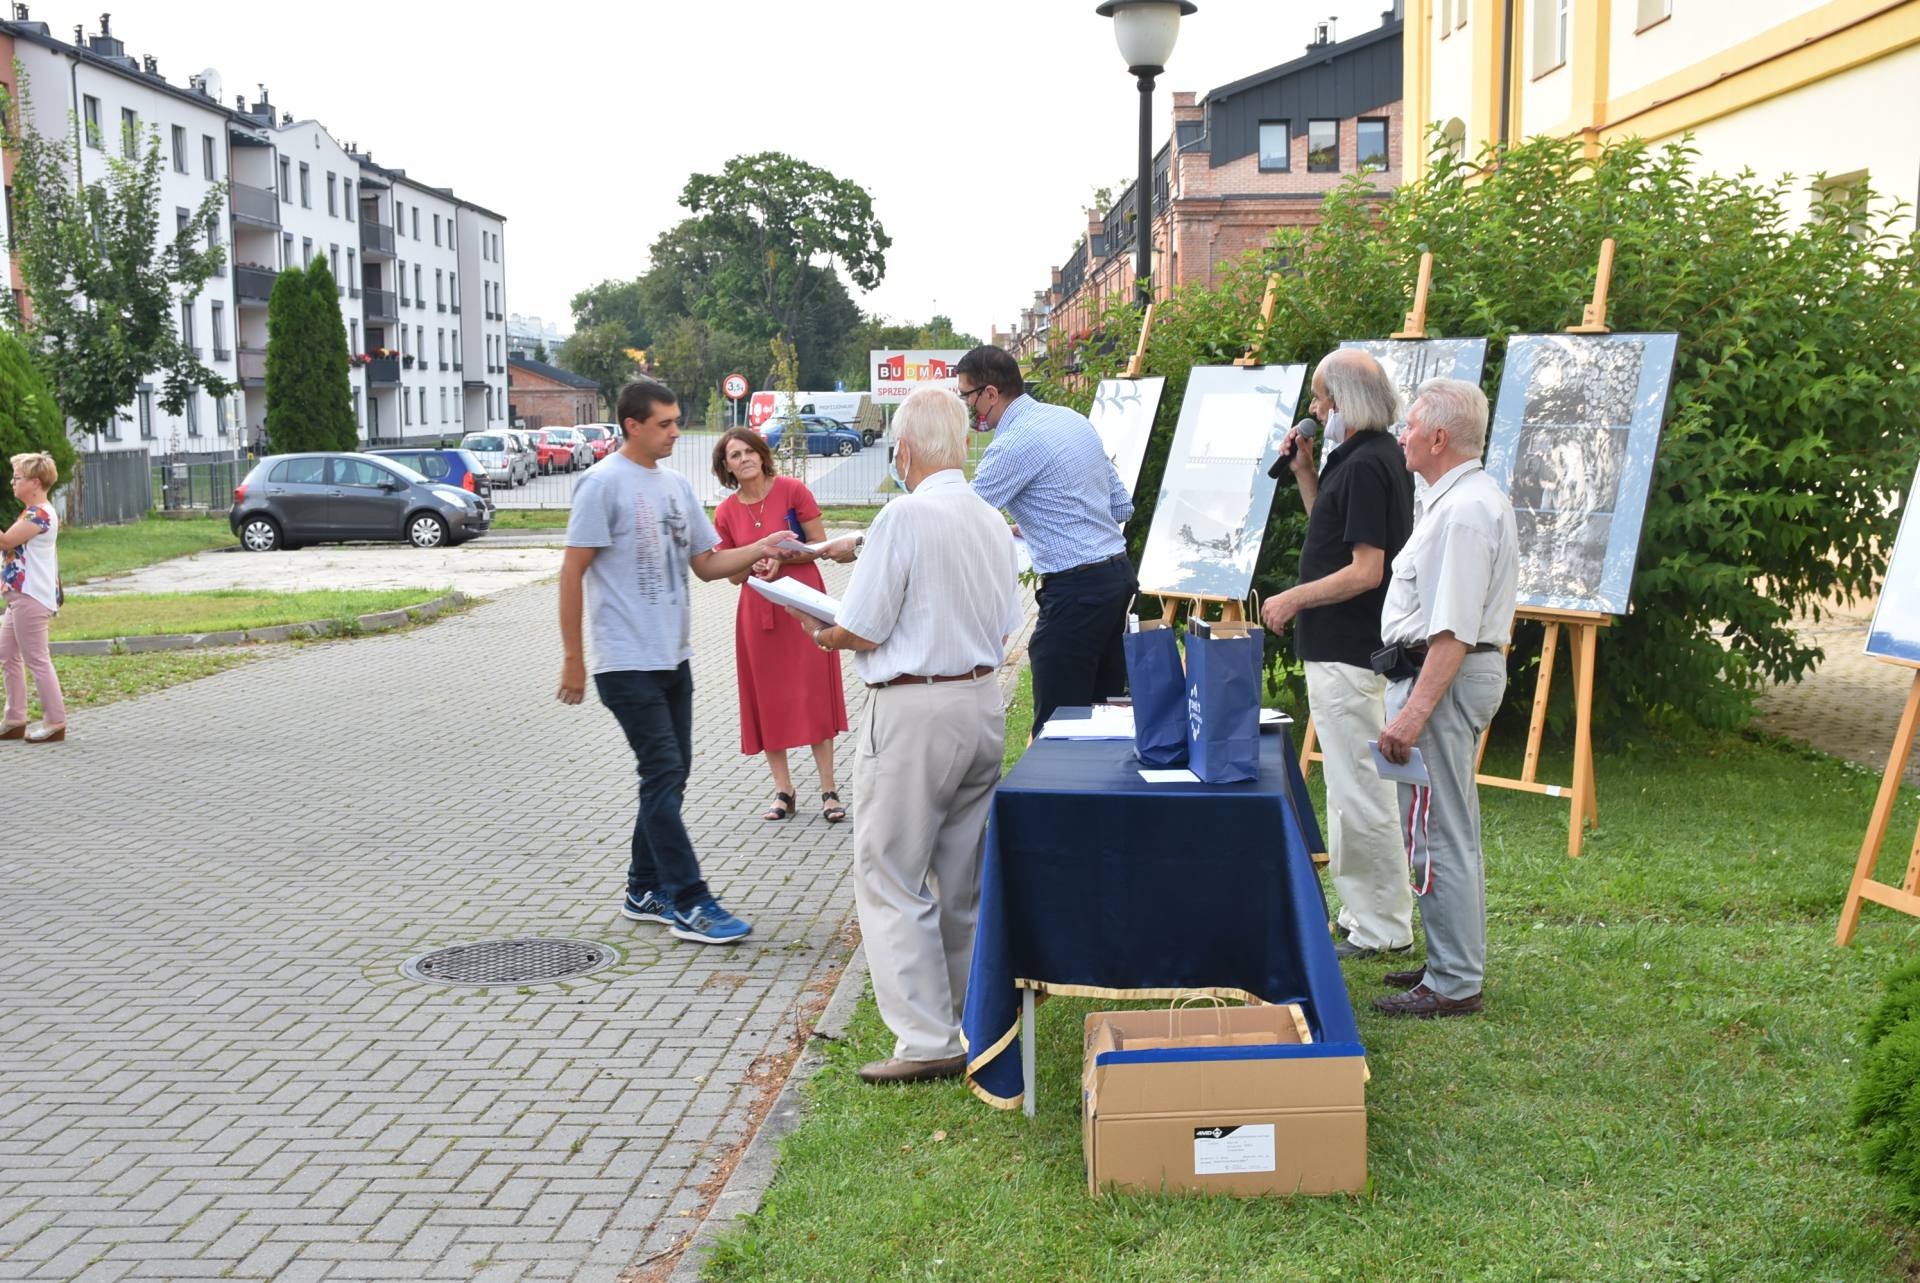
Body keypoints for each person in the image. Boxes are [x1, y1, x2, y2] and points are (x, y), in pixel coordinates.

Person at [784, 385, 1022, 1084]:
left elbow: (862, 625)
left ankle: (924, 1036)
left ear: (906, 451)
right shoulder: (987, 515)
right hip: (979, 698)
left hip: (915, 705)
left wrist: (821, 630)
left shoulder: (903, 515)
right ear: (964, 444)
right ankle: (962, 1015)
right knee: (959, 876)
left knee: (889, 869)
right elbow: (1008, 620)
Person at [557, 378, 797, 946]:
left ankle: (643, 888)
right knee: (662, 773)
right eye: (664, 423)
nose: (675, 431)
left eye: (677, 420)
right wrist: (573, 658)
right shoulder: (601, 485)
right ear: (632, 425)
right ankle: (690, 900)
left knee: (672, 778)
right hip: (624, 662)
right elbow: (571, 572)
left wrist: (762, 549)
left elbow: (709, 564)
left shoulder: (675, 486)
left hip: (674, 656)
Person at [1262, 350, 1416, 961]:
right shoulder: (1360, 461)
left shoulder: (1367, 465)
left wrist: (1292, 598)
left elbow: (1365, 569)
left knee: (1360, 790)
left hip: (1348, 648)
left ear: (1346, 402)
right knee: (1352, 788)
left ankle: (1382, 927)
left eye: (1322, 398)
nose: (1314, 409)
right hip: (1343, 648)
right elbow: (1334, 534)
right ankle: (1363, 913)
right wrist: (1304, 472)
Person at [1372, 378, 1519, 1017]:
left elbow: (1453, 631)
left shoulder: (1464, 511)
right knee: (1441, 827)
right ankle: (1447, 960)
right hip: (1445, 676)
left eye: (1408, 426)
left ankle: (1454, 980)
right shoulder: (1457, 500)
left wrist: (1412, 712)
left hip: (1444, 679)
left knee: (1440, 832)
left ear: (1437, 437)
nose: (1400, 435)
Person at [960, 344, 1134, 732]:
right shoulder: (1071, 420)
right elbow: (1122, 507)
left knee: (1059, 728)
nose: (967, 409)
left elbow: (962, 518)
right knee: (1108, 722)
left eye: (967, 396)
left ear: (990, 393)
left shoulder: (1012, 443)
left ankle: (1059, 794)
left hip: (1077, 593)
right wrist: (1045, 521)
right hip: (1119, 579)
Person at [709, 428, 854, 823]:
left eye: (748, 451)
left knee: (812, 693)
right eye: (734, 455)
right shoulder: (724, 512)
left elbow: (819, 544)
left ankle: (828, 789)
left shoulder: (792, 490)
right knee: (768, 697)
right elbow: (731, 575)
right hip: (758, 611)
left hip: (803, 603)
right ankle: (783, 791)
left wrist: (781, 559)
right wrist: (750, 563)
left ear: (761, 453)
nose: (744, 459)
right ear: (727, 467)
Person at [0, 452, 66, 743]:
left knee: (37, 659)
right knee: (7, 655)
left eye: (18, 477)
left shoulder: (40, 513)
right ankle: (15, 719)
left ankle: (55, 722)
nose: (12, 482)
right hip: (18, 598)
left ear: (35, 483)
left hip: (31, 597)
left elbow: (6, 541)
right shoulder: (30, 512)